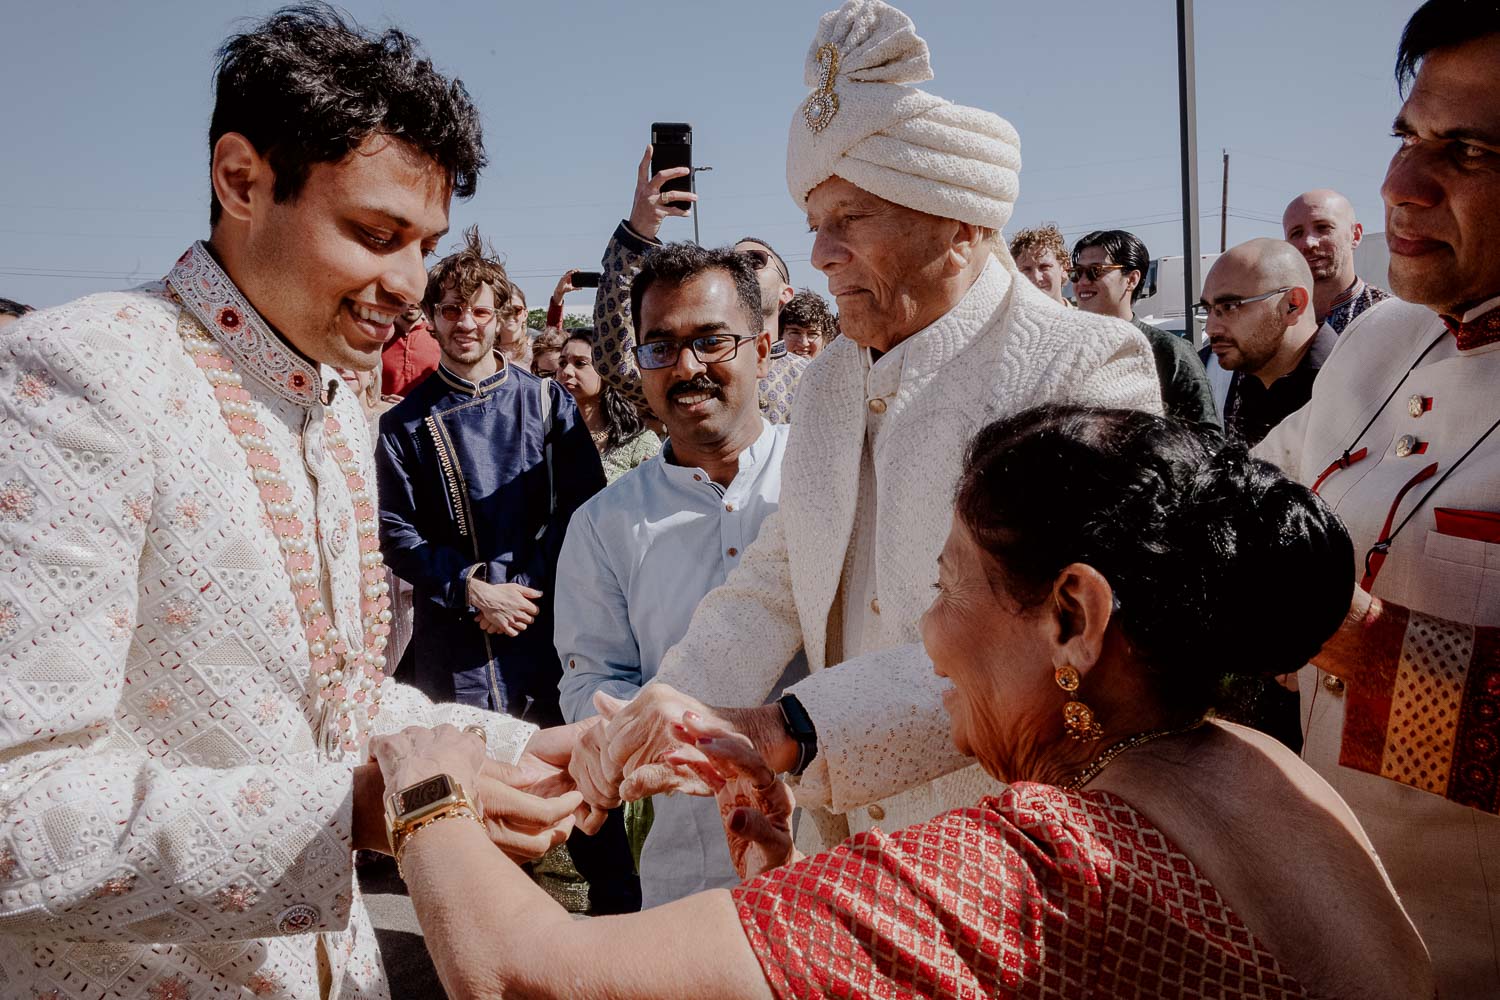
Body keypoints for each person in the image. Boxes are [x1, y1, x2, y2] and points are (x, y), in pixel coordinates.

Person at [374, 405, 1434, 1000]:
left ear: (1073, 614)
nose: (927, 630)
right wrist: (787, 900)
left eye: (946, 585)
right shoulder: (1273, 771)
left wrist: (428, 784)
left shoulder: (1042, 867)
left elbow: (527, 976)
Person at [0, 9, 588, 998]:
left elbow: (338, 700)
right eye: (374, 233)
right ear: (242, 180)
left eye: (426, 245)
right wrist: (355, 812)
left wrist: (530, 751)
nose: (410, 284)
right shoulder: (86, 372)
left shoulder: (330, 401)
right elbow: (19, 811)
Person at [575, 0, 1163, 855]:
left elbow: (1038, 643)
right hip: (844, 849)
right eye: (815, 224)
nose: (818, 254)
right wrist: (638, 726)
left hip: (1013, 857)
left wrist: (796, 728)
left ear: (957, 224)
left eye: (850, 220)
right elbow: (775, 582)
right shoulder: (828, 382)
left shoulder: (1081, 368)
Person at [1253, 4, 1500, 992]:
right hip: (1327, 932)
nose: (1399, 185)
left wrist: (1363, 646)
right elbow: (1238, 491)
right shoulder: (1383, 339)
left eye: (1468, 149)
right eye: (1407, 138)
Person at [556, 244, 794, 906]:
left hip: (846, 850)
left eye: (711, 341)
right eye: (660, 347)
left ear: (763, 346)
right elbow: (590, 684)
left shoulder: (825, 485)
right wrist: (649, 735)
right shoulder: (606, 524)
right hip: (690, 875)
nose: (687, 367)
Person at [375, 226, 604, 723]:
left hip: (541, 622)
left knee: (556, 776)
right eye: (452, 310)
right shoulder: (402, 423)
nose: (465, 324)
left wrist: (519, 590)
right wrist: (473, 590)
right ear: (432, 317)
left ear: (500, 318)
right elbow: (395, 534)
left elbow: (584, 505)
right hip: (453, 638)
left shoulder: (546, 401)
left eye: (479, 311)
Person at [592, 148, 810, 424]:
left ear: (785, 292)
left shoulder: (818, 377)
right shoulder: (681, 370)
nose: (740, 267)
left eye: (754, 260)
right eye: (732, 262)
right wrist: (638, 232)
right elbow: (614, 358)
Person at [1072, 229, 1220, 432]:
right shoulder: (1067, 350)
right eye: (1076, 273)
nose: (1082, 282)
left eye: (1095, 271)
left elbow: (1208, 437)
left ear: (1131, 279)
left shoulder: (1170, 352)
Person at [1204, 239, 1331, 448]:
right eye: (1208, 309)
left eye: (1229, 306)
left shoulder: (1346, 391)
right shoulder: (1252, 385)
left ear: (1293, 304)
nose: (1210, 328)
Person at [554, 329, 660, 483]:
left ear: (605, 373)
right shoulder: (547, 438)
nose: (566, 372)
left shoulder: (638, 443)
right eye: (562, 363)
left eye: (580, 363)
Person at [1282, 188, 1391, 334]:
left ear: (1355, 235)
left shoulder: (1388, 317)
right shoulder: (1277, 318)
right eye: (1296, 233)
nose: (1309, 243)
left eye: (1323, 228)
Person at [381, 301, 442, 399]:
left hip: (427, 413)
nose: (413, 302)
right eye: (408, 297)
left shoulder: (439, 337)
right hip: (384, 411)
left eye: (418, 298)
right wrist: (382, 399)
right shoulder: (379, 335)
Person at [1009, 222, 1072, 305]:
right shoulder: (1004, 317)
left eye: (1044, 267)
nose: (1036, 277)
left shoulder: (1083, 317)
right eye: (1026, 269)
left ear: (1064, 269)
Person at [778, 288, 837, 359]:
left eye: (813, 334)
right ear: (779, 335)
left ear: (825, 340)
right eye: (795, 333)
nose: (804, 343)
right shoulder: (765, 368)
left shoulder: (840, 369)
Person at [497, 280, 532, 369]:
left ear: (525, 315)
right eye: (505, 309)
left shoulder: (535, 351)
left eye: (516, 310)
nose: (510, 314)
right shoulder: (486, 351)